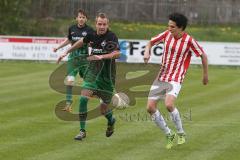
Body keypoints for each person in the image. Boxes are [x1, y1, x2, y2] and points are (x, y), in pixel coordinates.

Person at [143, 13, 208, 149]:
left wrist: (205, 75)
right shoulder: (167, 34)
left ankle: (181, 133)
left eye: (172, 27)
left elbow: (203, 55)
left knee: (168, 104)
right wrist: (147, 52)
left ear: (181, 28)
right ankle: (169, 133)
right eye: (168, 26)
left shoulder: (189, 40)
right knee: (150, 108)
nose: (169, 28)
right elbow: (151, 42)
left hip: (176, 77)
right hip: (161, 76)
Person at [58, 13, 120, 140]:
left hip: (107, 77)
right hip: (92, 73)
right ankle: (82, 131)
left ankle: (111, 121)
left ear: (107, 25)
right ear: (96, 24)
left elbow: (117, 53)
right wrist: (66, 52)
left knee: (103, 109)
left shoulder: (111, 36)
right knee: (83, 99)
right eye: (99, 24)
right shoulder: (91, 34)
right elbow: (80, 42)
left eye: (104, 24)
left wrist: (102, 56)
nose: (102, 26)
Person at [54, 9, 94, 112]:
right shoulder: (72, 28)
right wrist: (58, 48)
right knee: (70, 80)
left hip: (84, 59)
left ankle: (93, 94)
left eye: (83, 17)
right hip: (73, 58)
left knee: (89, 82)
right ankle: (68, 104)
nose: (81, 19)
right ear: (76, 18)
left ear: (86, 19)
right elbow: (69, 40)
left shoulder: (90, 30)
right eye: (79, 17)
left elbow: (93, 43)